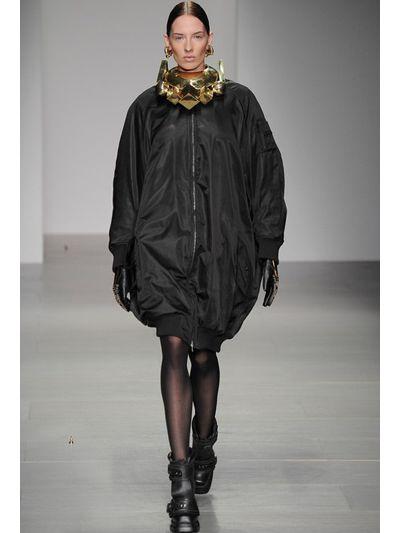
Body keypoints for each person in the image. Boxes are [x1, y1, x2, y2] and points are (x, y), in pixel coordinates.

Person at [108, 2, 287, 531]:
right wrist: (122, 250)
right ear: (166, 42)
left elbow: (266, 171)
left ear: (210, 40)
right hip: (160, 247)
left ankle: (204, 441)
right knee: (173, 347)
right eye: (179, 37)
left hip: (221, 248)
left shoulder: (239, 105)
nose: (188, 46)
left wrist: (268, 245)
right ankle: (180, 478)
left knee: (204, 353)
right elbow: (128, 182)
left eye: (197, 35)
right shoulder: (146, 109)